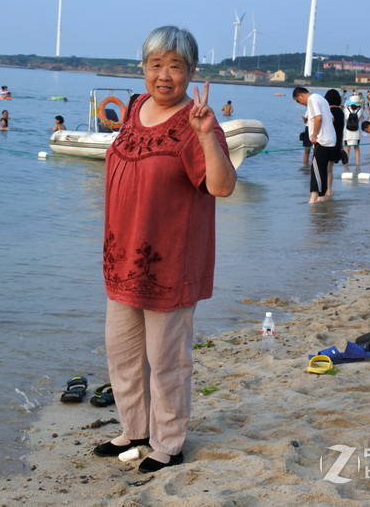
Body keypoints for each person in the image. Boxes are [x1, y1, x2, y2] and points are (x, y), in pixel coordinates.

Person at [93, 25, 236, 474]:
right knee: (123, 353)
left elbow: (222, 186)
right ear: (143, 68)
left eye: (176, 66)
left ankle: (169, 442)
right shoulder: (135, 109)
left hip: (169, 262)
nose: (165, 75)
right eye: (156, 65)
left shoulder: (196, 122)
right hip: (123, 259)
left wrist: (208, 136)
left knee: (167, 361)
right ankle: (134, 430)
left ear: (191, 72)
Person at [293, 87, 337, 203]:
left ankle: (313, 198)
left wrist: (314, 135)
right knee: (322, 168)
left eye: (298, 101)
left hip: (321, 140)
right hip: (331, 138)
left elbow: (318, 118)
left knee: (316, 168)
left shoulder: (312, 99)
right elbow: (331, 119)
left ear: (301, 95)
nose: (300, 103)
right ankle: (321, 196)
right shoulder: (322, 98)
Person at [343, 95, 363, 166]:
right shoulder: (360, 110)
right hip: (356, 132)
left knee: (347, 148)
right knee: (356, 148)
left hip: (347, 132)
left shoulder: (345, 110)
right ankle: (358, 163)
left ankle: (346, 164)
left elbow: (345, 119)